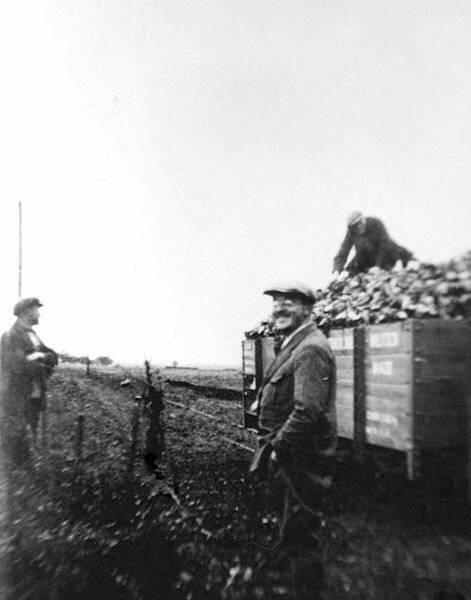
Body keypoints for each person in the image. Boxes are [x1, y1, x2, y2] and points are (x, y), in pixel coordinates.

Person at [249, 282, 337, 600]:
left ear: (308, 309)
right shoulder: (294, 344)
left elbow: (307, 411)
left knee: (301, 537)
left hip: (301, 457)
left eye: (289, 303)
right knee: (291, 528)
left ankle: (308, 593)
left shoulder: (311, 349)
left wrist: (277, 448)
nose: (280, 308)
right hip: (292, 457)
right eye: (276, 302)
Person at [0, 297, 58, 463]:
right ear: (26, 312)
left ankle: (26, 466)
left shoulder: (33, 335)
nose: (39, 313)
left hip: (35, 393)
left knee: (30, 432)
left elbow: (53, 357)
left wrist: (39, 358)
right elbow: (18, 366)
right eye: (36, 309)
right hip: (17, 395)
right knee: (15, 436)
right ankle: (15, 471)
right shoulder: (10, 336)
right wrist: (41, 364)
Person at [333, 211, 414, 276]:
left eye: (360, 223)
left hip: (384, 255)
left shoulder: (375, 223)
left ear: (363, 220)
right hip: (366, 257)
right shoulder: (351, 232)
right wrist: (337, 270)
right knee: (350, 271)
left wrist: (378, 266)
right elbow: (344, 250)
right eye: (355, 226)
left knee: (393, 248)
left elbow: (384, 245)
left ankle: (409, 261)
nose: (358, 227)